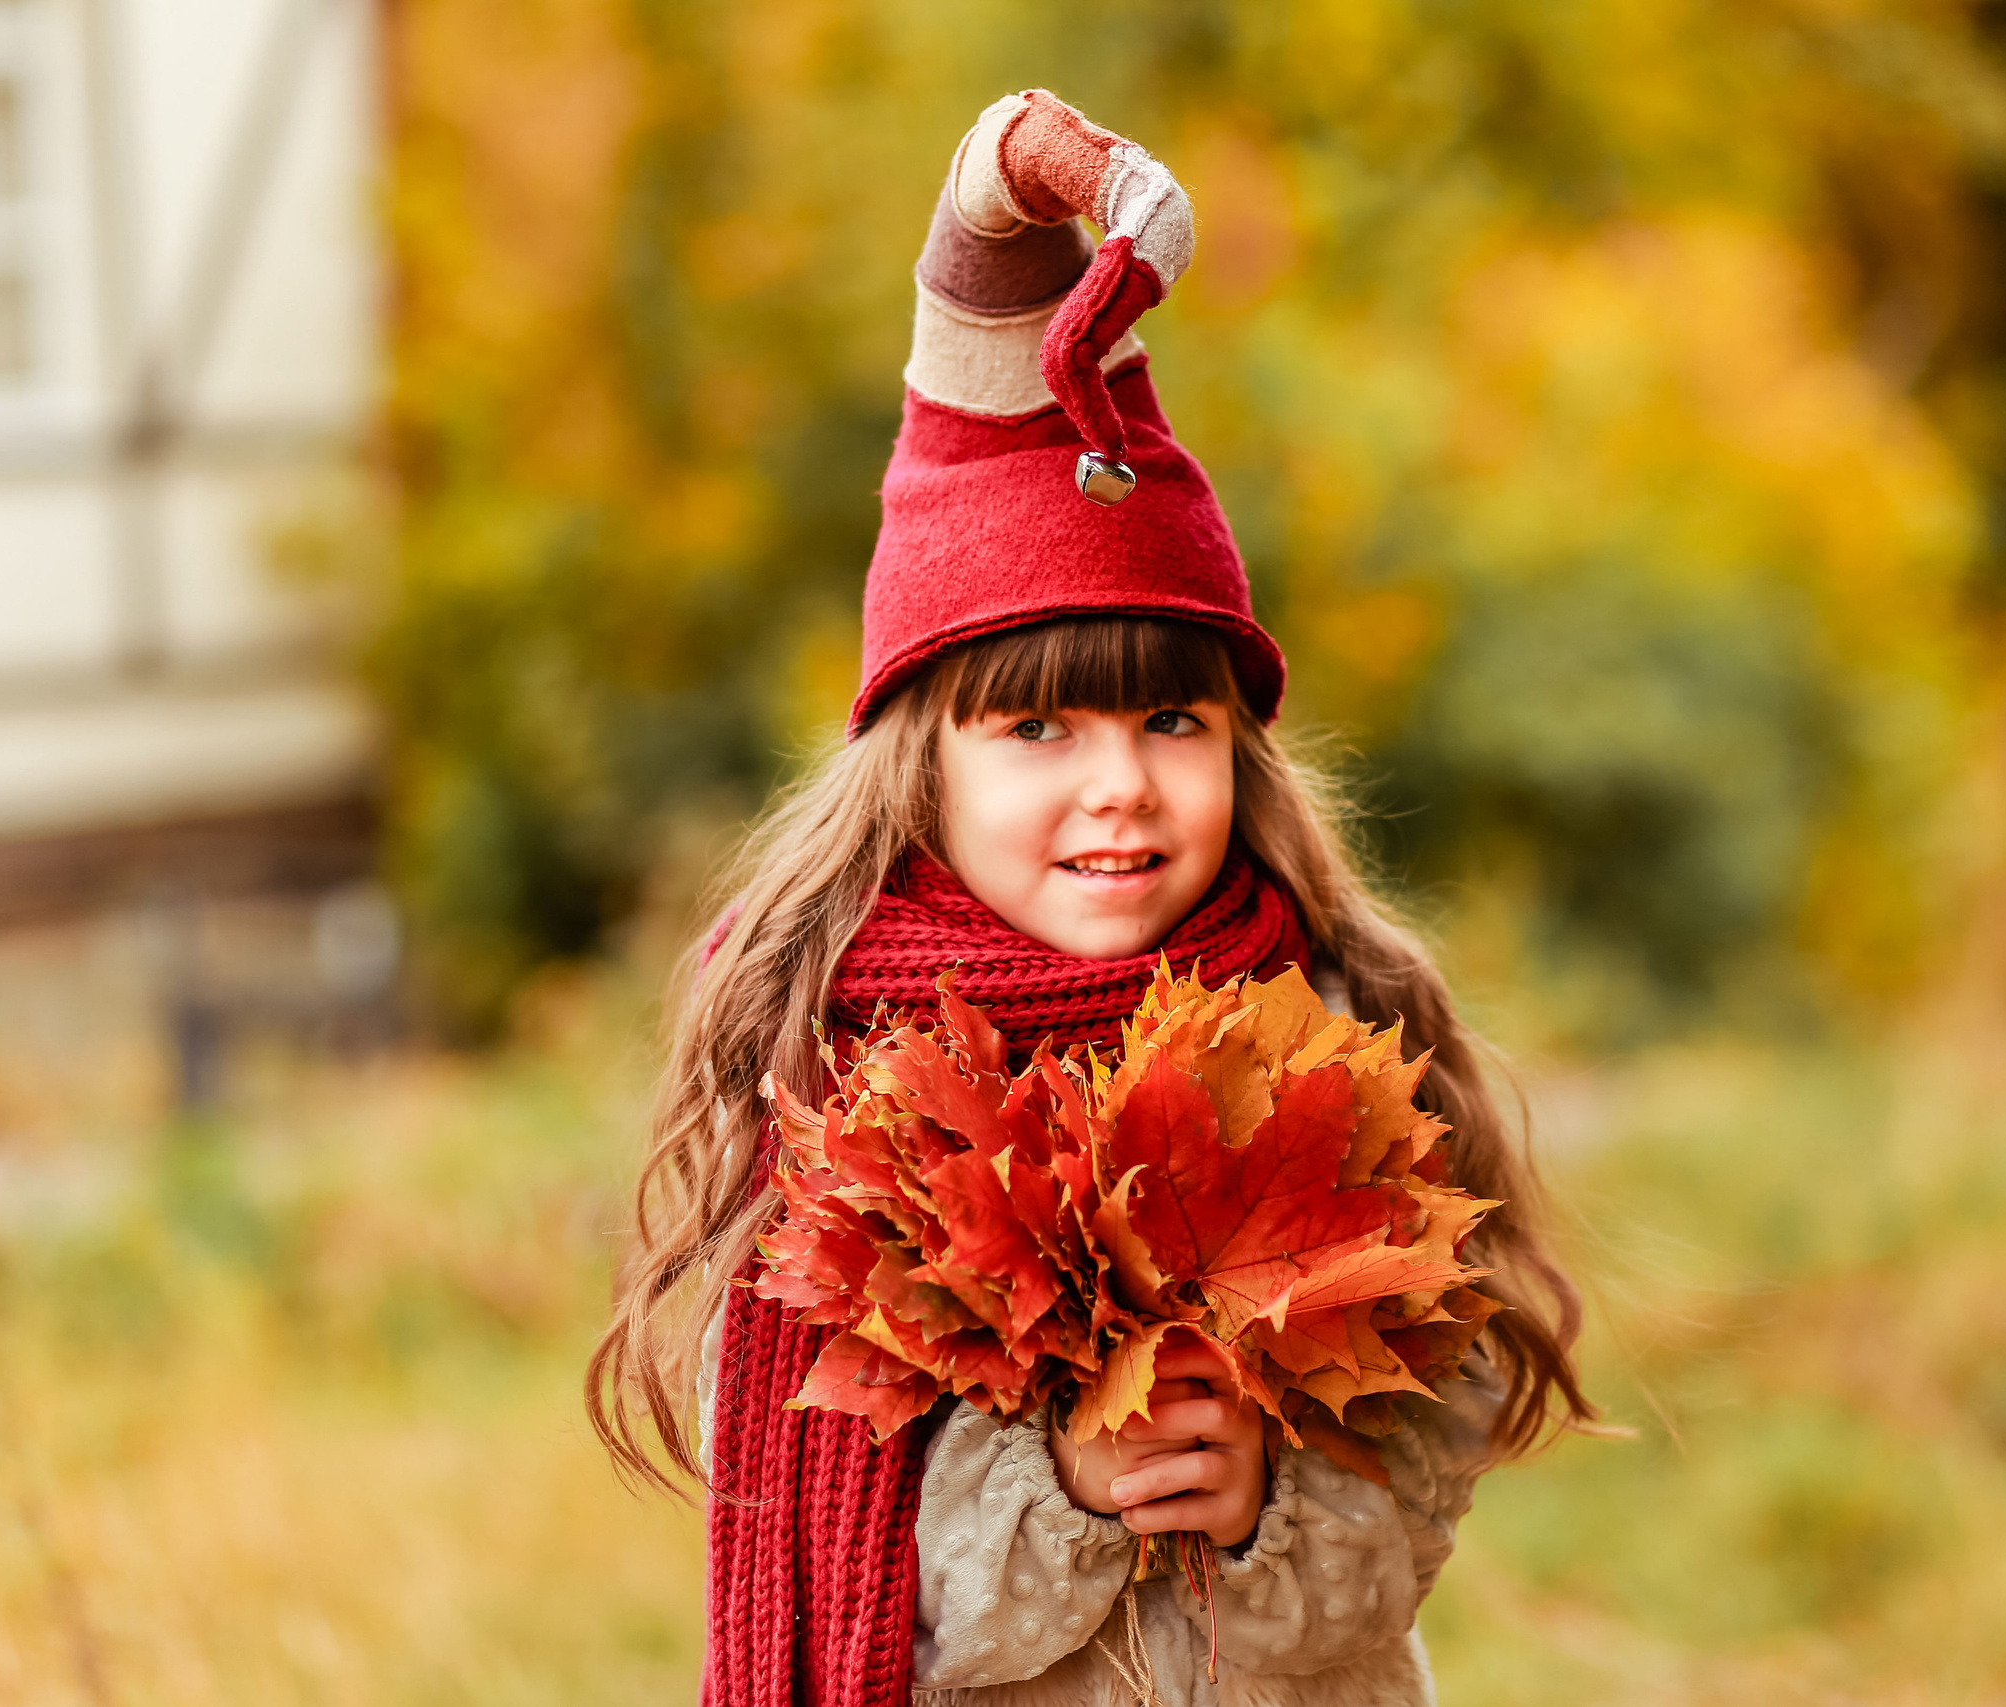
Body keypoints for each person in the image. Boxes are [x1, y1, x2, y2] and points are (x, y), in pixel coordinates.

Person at [589, 89, 1590, 1707]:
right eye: (1039, 728)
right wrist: (1060, 1490)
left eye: (1172, 721)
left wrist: (1269, 1509)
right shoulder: (830, 1078)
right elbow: (788, 1508)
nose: (1120, 782)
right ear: (922, 767)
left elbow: (1433, 1427)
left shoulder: (1331, 1025)